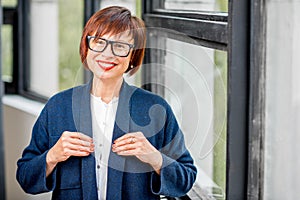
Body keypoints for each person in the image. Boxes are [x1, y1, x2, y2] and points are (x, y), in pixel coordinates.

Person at [16, 6, 197, 200]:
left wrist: (154, 157)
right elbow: (25, 177)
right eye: (99, 42)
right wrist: (53, 155)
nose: (107, 54)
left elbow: (186, 178)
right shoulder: (58, 106)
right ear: (86, 47)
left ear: (132, 57)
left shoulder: (156, 109)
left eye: (120, 46)